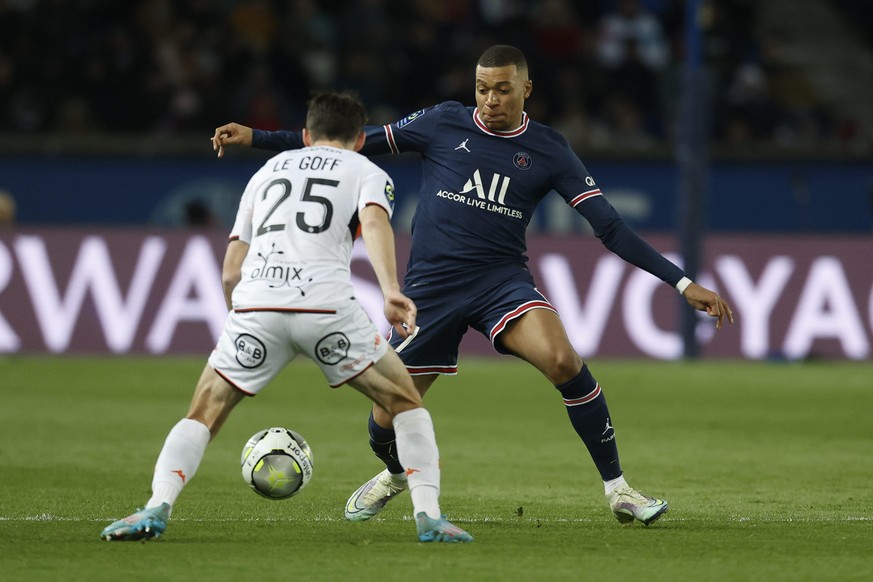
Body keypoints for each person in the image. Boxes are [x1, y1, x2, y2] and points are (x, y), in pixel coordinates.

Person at [212, 45, 734, 527]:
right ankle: (395, 474)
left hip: (500, 282)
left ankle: (620, 490)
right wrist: (258, 138)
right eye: (482, 88)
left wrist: (681, 282)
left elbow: (611, 228)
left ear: (526, 89)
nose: (489, 99)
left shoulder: (549, 149)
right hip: (430, 291)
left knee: (562, 360)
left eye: (502, 89)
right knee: (385, 419)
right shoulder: (442, 122)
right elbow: (350, 143)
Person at [101, 91, 472, 544]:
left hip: (257, 305)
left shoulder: (267, 172)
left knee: (204, 411)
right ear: (359, 137)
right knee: (406, 404)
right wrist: (391, 291)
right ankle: (429, 517)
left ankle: (156, 507)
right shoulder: (367, 171)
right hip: (326, 307)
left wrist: (242, 316)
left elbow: (231, 269)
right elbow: (374, 225)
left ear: (308, 133)